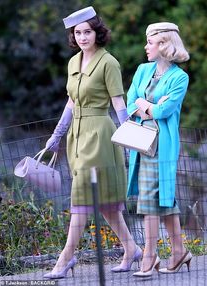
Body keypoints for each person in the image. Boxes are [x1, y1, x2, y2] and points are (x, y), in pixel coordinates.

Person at [43, 6, 142, 279]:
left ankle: (65, 257)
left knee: (82, 195)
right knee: (106, 203)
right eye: (78, 33)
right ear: (73, 36)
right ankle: (131, 248)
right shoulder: (73, 62)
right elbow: (71, 101)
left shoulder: (109, 62)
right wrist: (57, 134)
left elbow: (118, 102)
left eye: (88, 31)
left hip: (99, 133)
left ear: (97, 33)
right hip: (77, 133)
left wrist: (130, 134)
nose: (83, 37)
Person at [126, 22, 192, 277]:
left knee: (150, 201)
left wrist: (147, 106)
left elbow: (165, 111)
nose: (146, 47)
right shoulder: (142, 70)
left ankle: (149, 255)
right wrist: (148, 105)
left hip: (161, 147)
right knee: (163, 200)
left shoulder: (180, 77)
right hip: (141, 144)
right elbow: (132, 101)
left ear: (164, 45)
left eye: (150, 42)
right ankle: (179, 252)